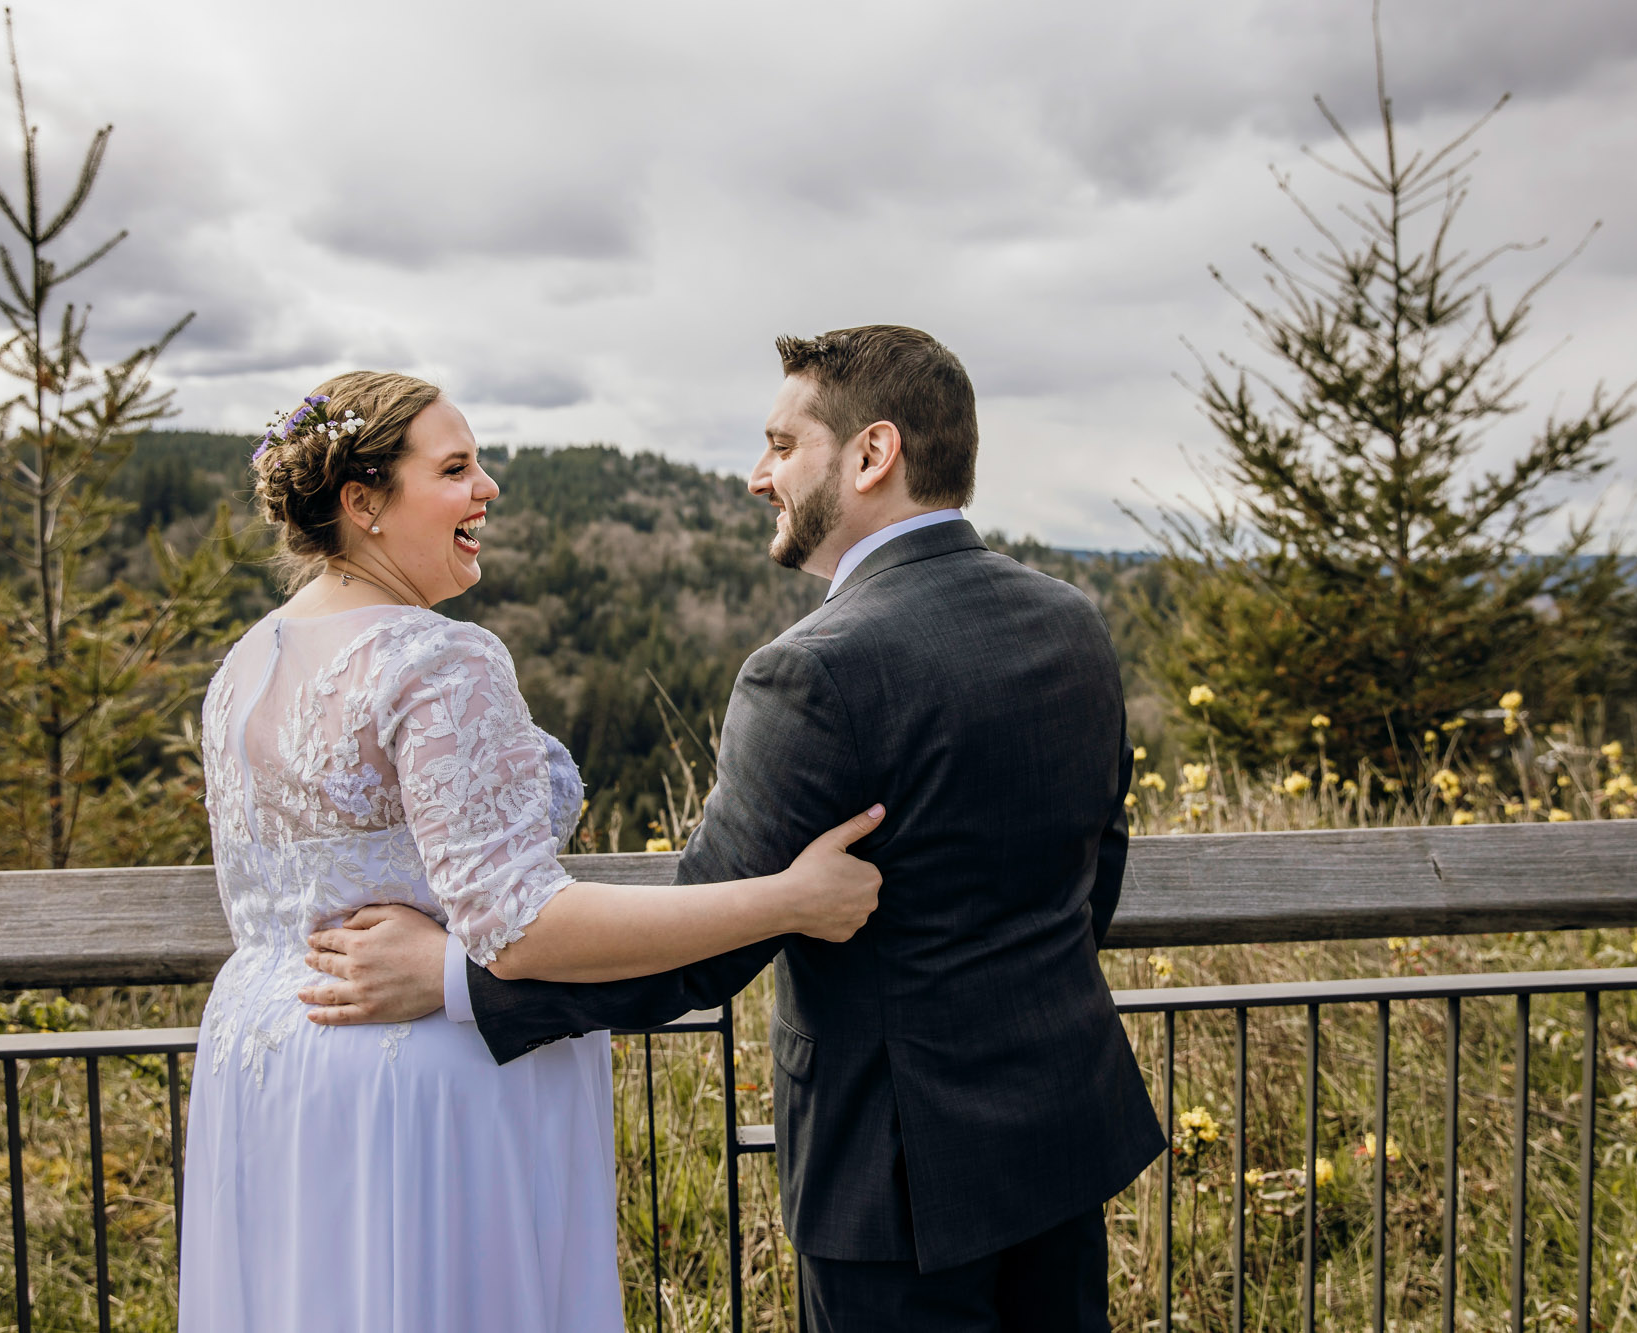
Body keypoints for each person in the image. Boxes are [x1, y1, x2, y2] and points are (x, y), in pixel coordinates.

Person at [310, 329, 1166, 1333]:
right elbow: (1090, 873)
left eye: (780, 444)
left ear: (870, 454)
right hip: (1066, 1134)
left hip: (894, 1181)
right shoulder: (1069, 619)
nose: (759, 476)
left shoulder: (813, 670)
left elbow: (703, 947)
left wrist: (458, 980)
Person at [175, 369, 885, 1333]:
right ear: (364, 504)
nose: (488, 488)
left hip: (270, 1066)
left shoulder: (246, 659)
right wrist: (790, 898)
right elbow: (522, 932)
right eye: (457, 468)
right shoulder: (436, 657)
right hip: (422, 1090)